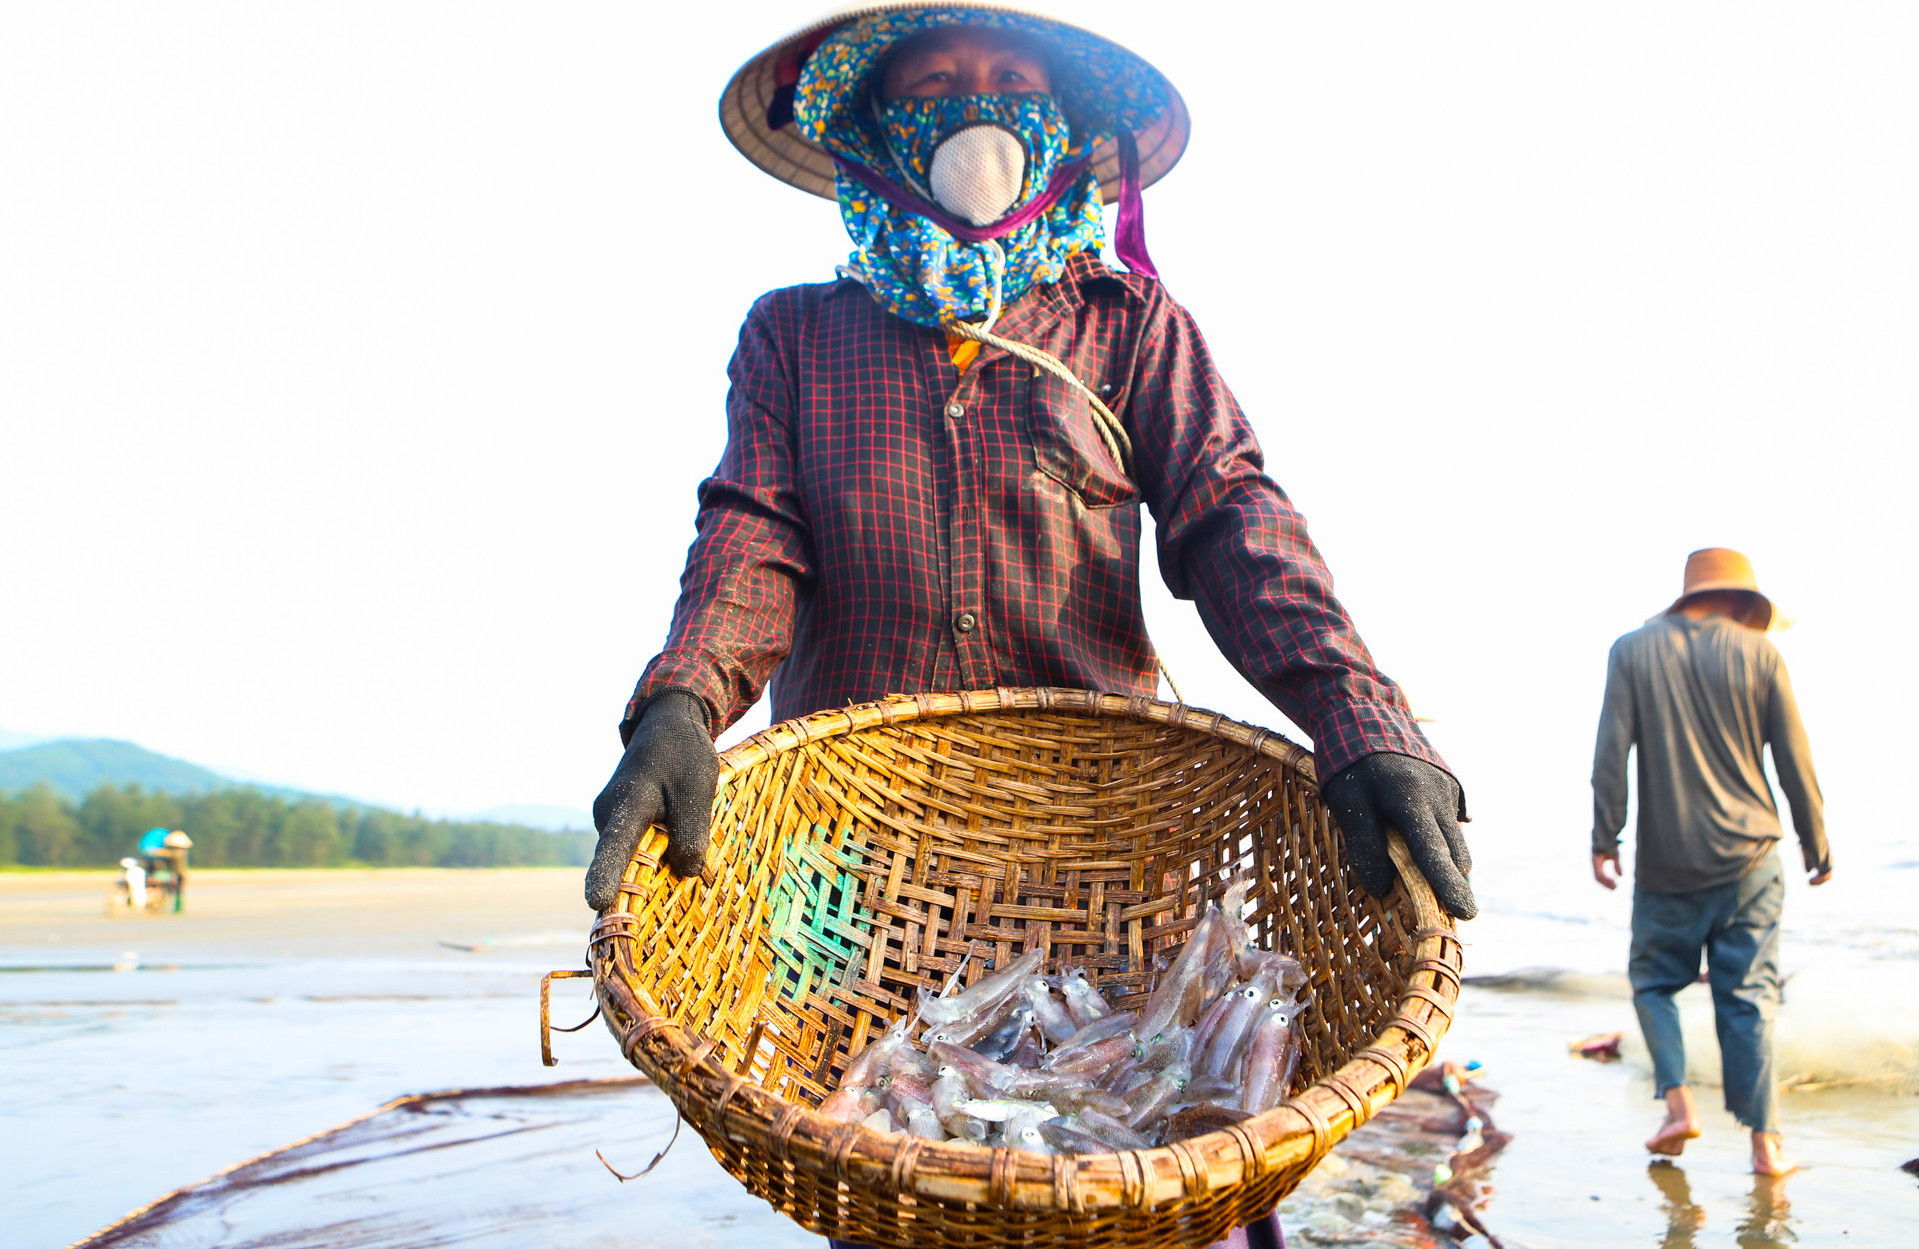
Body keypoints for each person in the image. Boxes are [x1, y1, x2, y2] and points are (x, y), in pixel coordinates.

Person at [588, 9, 1477, 1241]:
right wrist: (684, 700)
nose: (976, 105)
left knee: (1140, 1165)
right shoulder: (793, 335)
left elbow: (1232, 519)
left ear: (1058, 122)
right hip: (863, 878)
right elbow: (754, 533)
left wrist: (1355, 714)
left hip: (1100, 865)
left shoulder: (1131, 327)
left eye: (1010, 77)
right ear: (873, 125)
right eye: (934, 82)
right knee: (891, 1168)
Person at [1591, 548, 1830, 1177]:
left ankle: (1678, 1108)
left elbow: (1611, 753)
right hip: (1753, 858)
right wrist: (1816, 841)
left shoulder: (1631, 650)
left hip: (1667, 863)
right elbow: (1795, 759)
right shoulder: (1761, 654)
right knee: (1749, 997)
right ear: (1743, 600)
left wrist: (1605, 838)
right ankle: (1766, 1147)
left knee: (1653, 984)